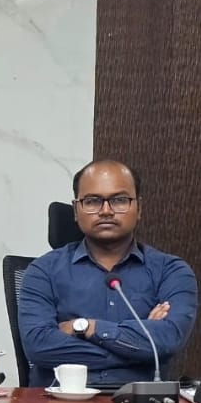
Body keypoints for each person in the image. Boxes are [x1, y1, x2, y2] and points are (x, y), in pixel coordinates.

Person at [18, 159, 197, 388]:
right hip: (60, 401)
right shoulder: (42, 271)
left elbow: (168, 339)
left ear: (139, 208)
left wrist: (86, 327)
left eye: (119, 200)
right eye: (92, 201)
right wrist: (142, 350)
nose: (106, 211)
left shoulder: (171, 271)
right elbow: (39, 346)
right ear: (76, 210)